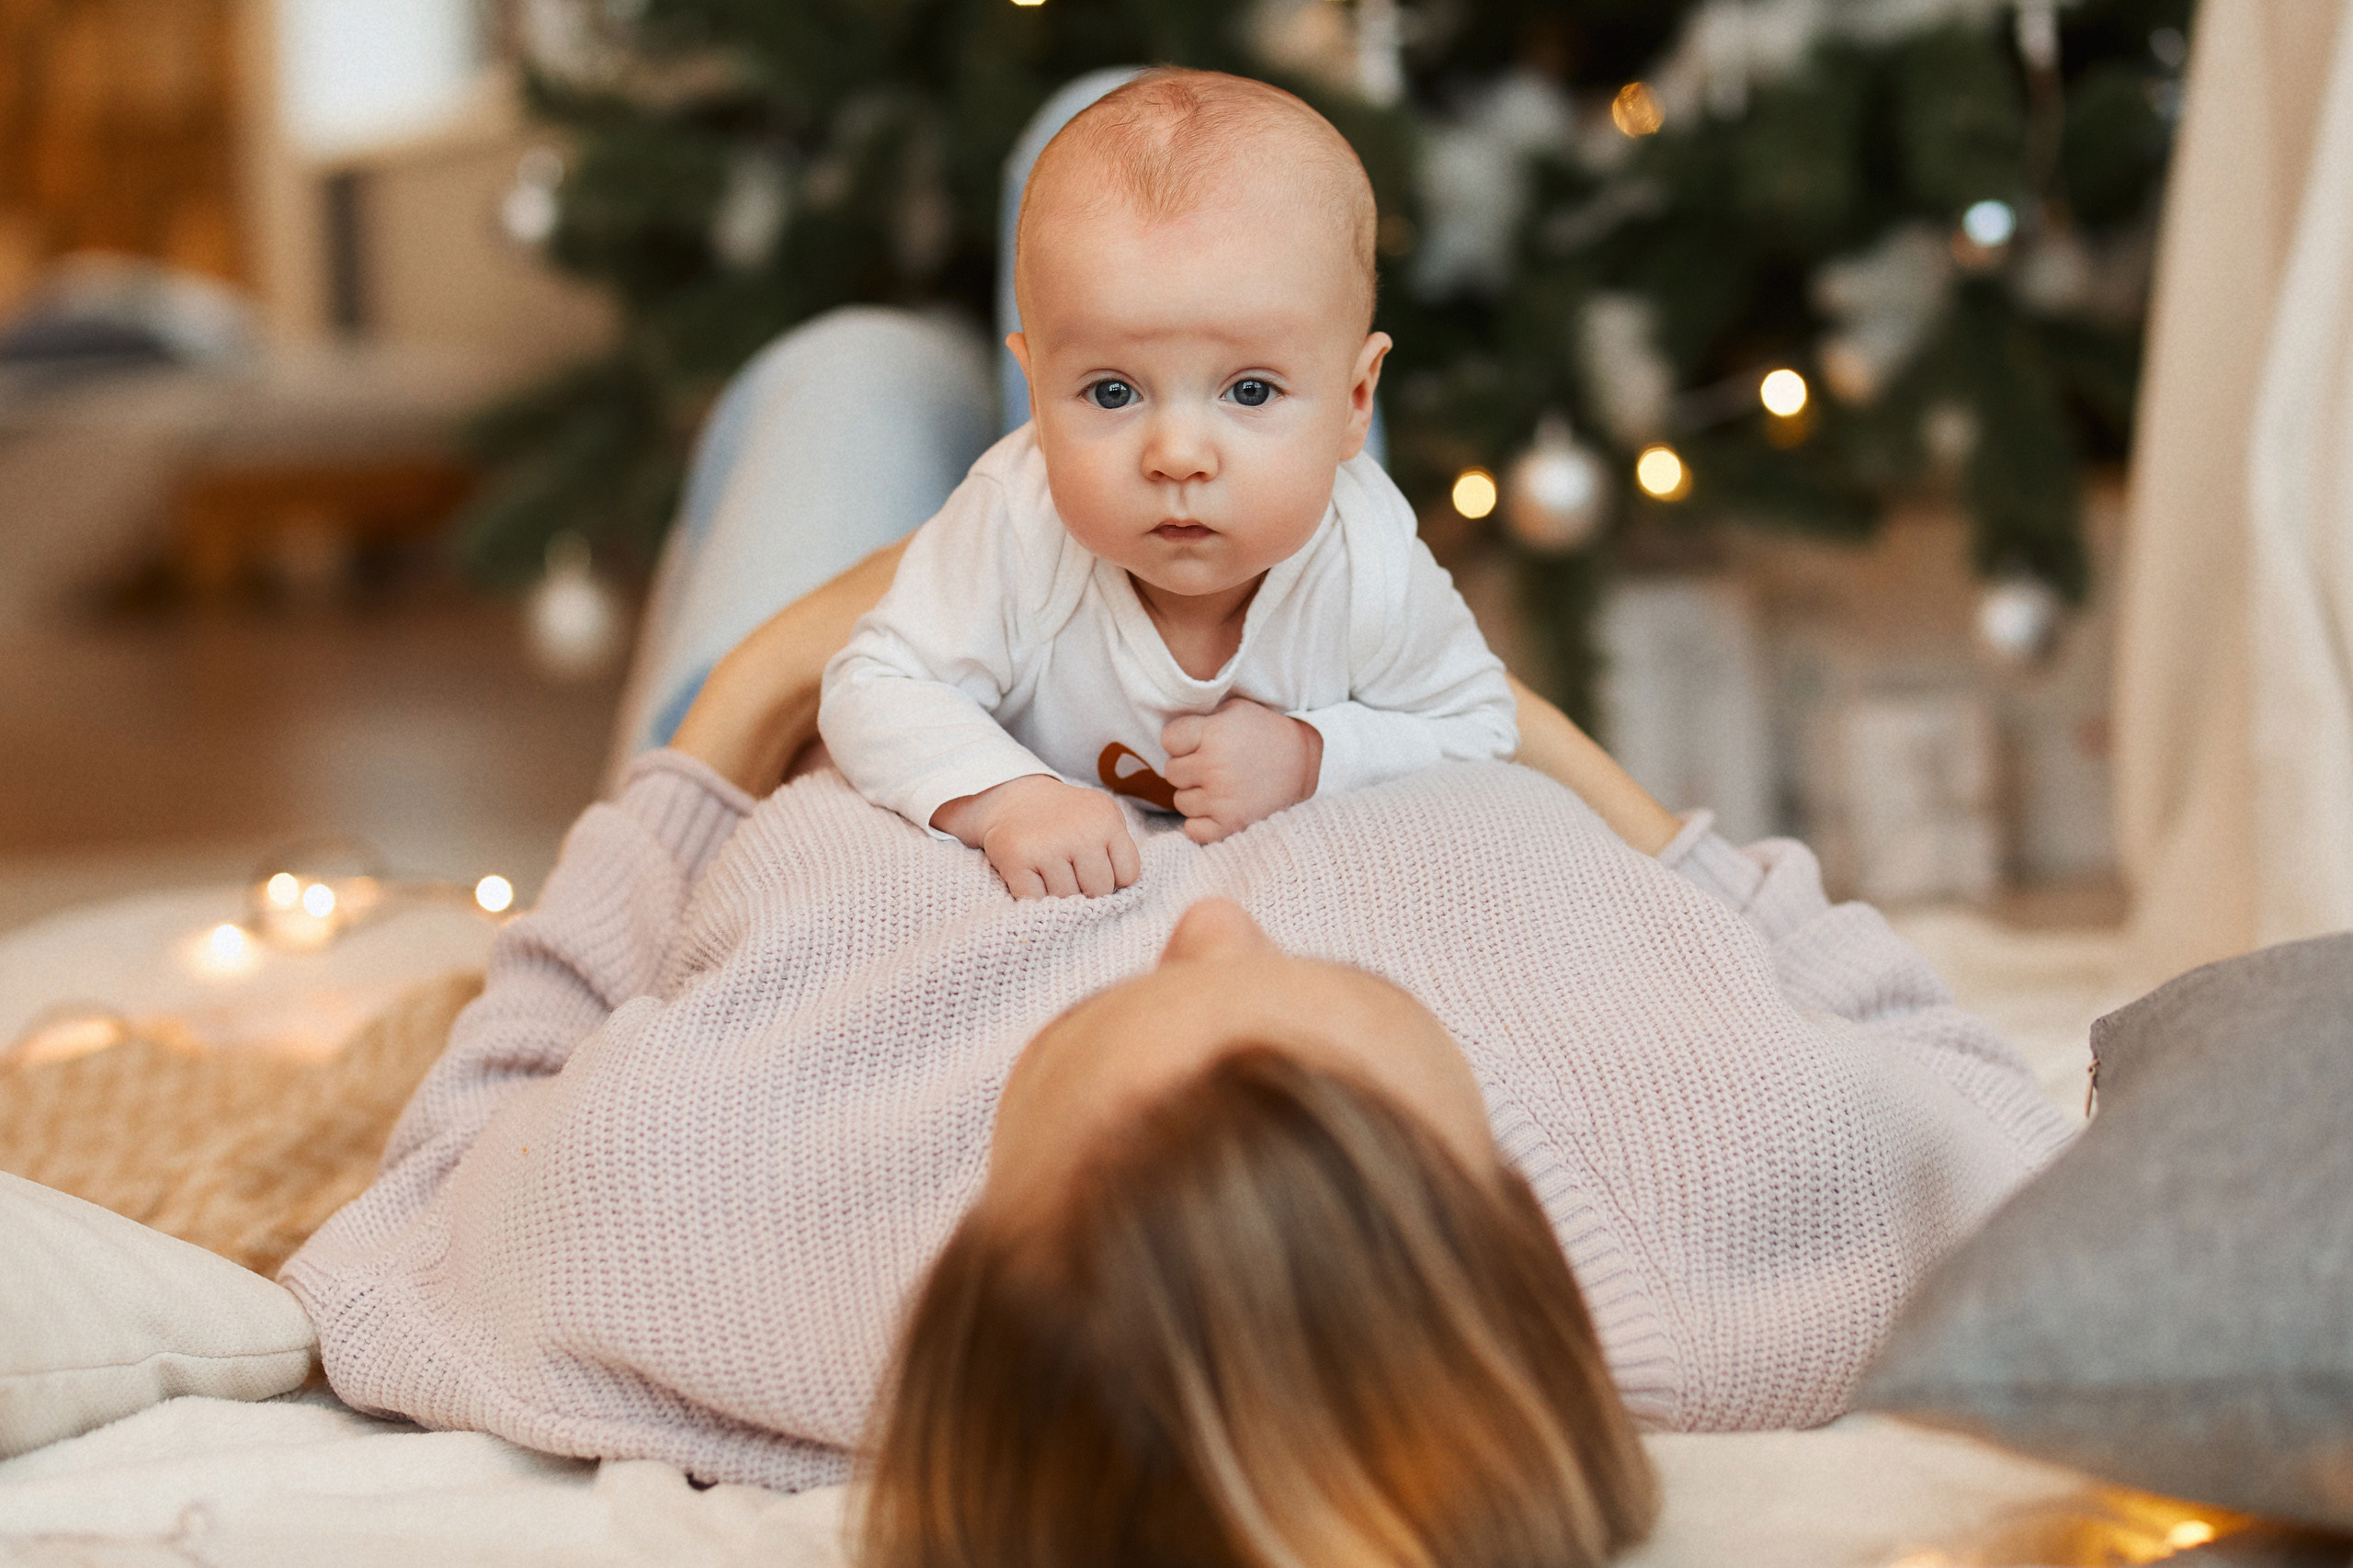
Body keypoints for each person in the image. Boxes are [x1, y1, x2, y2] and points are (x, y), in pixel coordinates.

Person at [819, 70, 1517, 900]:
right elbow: (871, 688)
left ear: (1360, 401)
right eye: (1112, 391)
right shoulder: (1017, 523)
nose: (1178, 455)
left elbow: (1484, 728)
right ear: (1036, 400)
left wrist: (1311, 756)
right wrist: (1007, 799)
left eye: (1249, 390)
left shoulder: (1368, 564)